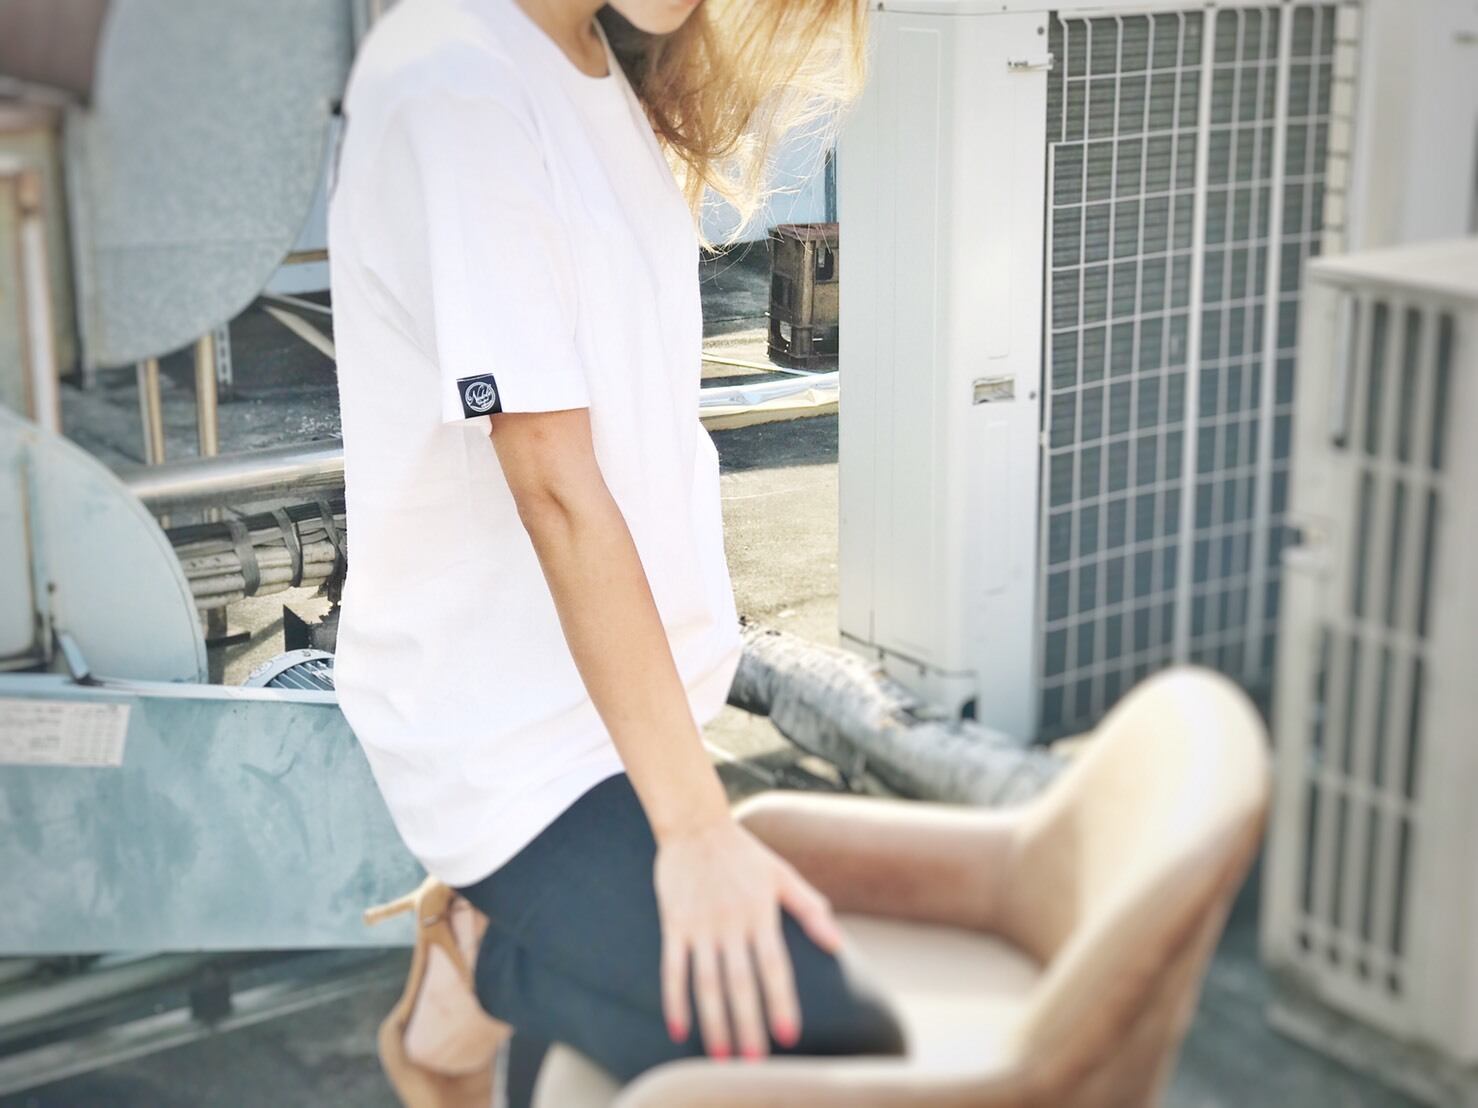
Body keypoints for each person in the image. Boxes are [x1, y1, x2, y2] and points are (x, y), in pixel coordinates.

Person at [327, 0, 904, 1104]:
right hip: (508, 742)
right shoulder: (456, 78)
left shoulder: (590, 59)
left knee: (635, 1054)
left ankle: (504, 956)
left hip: (623, 711)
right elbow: (551, 484)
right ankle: (487, 956)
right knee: (826, 1048)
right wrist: (696, 834)